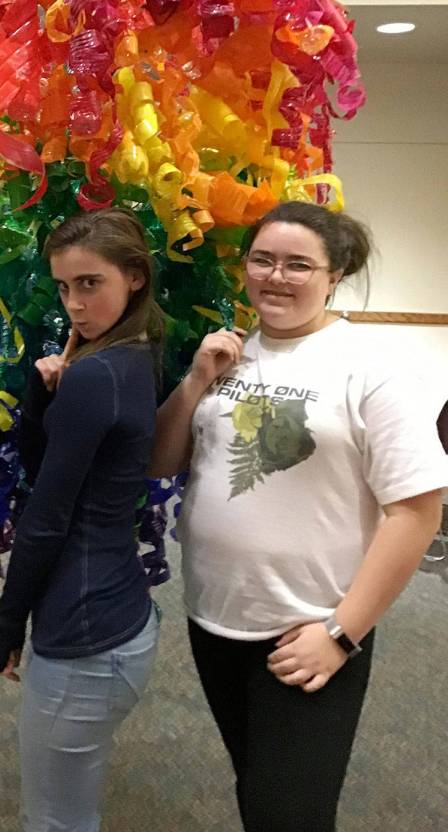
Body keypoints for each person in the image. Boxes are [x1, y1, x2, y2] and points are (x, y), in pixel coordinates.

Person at [150, 200, 448, 832]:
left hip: (311, 631)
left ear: (334, 273)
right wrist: (196, 381)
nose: (275, 276)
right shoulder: (233, 352)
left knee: (288, 814)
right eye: (262, 259)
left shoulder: (372, 367)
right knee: (257, 785)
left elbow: (417, 513)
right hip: (215, 620)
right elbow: (163, 461)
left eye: (297, 264)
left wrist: (342, 634)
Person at [0, 208, 164, 832]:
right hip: (118, 618)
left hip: (85, 636)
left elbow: (46, 516)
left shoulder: (98, 373)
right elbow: (53, 467)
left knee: (57, 821)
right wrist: (45, 394)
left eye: (91, 284)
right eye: (64, 287)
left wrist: (6, 628)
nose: (74, 305)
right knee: (70, 807)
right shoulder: (135, 354)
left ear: (134, 277)